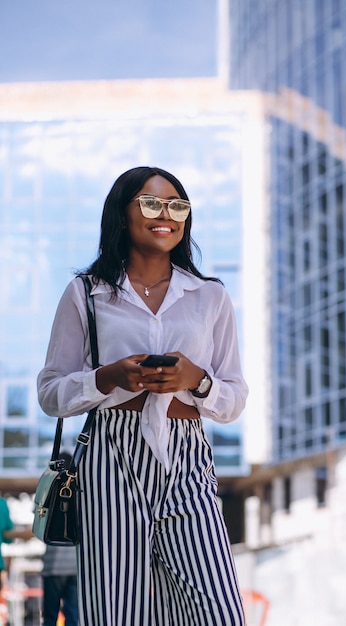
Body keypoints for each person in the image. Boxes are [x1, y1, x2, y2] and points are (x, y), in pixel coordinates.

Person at [37, 166, 248, 625]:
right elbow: (51, 393)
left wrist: (197, 379)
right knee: (117, 612)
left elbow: (233, 397)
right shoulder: (86, 294)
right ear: (122, 213)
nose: (165, 215)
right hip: (110, 455)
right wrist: (107, 376)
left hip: (187, 455)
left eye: (177, 206)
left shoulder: (210, 297)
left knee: (220, 611)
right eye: (151, 204)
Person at [42, 453, 78, 626]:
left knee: (50, 615)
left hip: (54, 566)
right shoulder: (81, 489)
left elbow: (40, 523)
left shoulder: (50, 488)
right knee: (73, 614)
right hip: (76, 565)